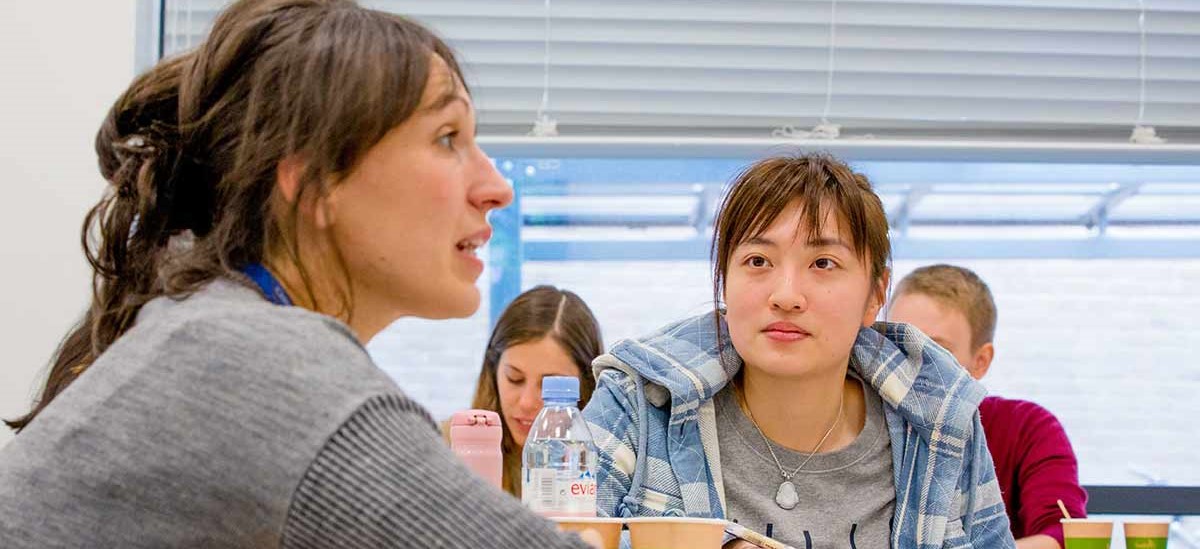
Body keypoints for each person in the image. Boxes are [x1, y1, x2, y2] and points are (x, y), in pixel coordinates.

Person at [0, 1, 596, 547]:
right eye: (447, 138)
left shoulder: (206, 319)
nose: (497, 187)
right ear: (313, 182)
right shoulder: (260, 359)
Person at [582, 153, 1016, 548]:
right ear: (723, 282)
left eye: (823, 263)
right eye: (758, 261)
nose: (786, 296)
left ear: (874, 295)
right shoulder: (639, 402)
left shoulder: (940, 420)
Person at [888, 264, 1088, 549]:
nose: (909, 363)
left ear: (981, 361)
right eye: (896, 344)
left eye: (937, 350)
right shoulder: (861, 425)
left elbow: (1065, 535)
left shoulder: (1027, 428)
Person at [465, 284, 603, 497]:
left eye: (551, 387)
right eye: (515, 379)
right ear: (493, 372)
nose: (527, 403)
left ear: (585, 387)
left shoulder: (606, 470)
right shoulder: (448, 448)